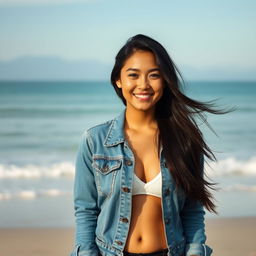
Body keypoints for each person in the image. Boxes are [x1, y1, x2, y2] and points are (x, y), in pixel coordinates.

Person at [69, 34, 233, 256]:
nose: (143, 85)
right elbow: (86, 211)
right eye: (133, 75)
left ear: (165, 81)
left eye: (154, 75)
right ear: (118, 80)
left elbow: (192, 212)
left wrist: (195, 252)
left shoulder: (186, 140)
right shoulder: (94, 140)